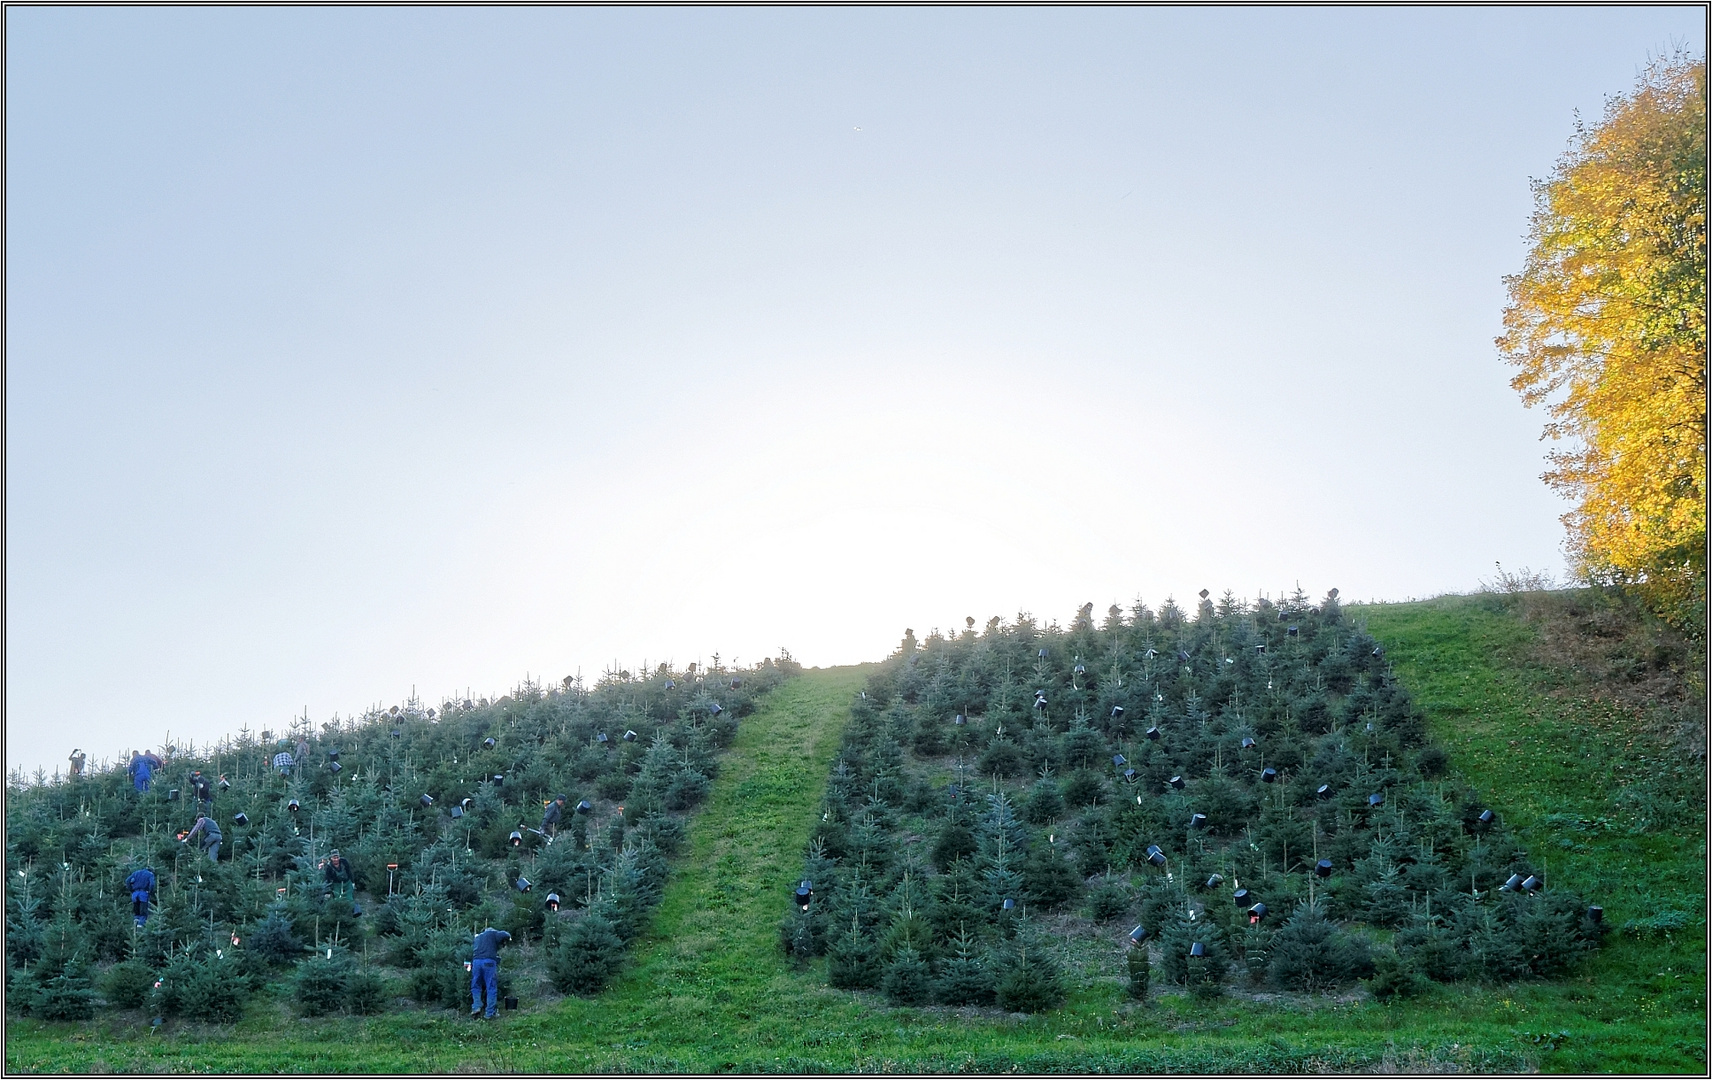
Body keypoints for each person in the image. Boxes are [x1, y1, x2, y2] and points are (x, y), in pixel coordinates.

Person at [469, 926, 511, 1019]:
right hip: (488, 962)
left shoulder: (478, 937)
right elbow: (505, 934)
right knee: (491, 987)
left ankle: (476, 1007)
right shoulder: (492, 933)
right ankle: (490, 1013)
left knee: (476, 985)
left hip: (476, 962)